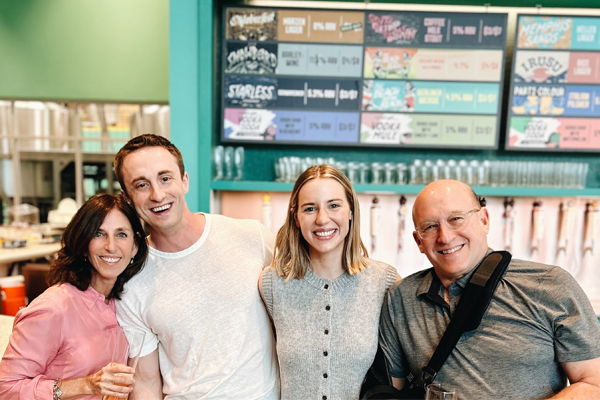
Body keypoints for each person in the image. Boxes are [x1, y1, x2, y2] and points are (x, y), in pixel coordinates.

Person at [379, 179, 600, 399]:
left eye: (456, 219)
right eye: (430, 227)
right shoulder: (400, 298)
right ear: (419, 241)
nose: (445, 237)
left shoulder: (550, 285)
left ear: (484, 220)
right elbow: (390, 390)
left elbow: (593, 383)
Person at [112, 134, 278, 400]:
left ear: (184, 181)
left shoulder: (252, 237)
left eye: (165, 178)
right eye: (142, 185)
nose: (157, 194)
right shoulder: (131, 280)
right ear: (128, 197)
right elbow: (145, 382)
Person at [260, 164, 399, 400]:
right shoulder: (272, 284)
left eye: (334, 205)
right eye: (309, 208)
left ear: (351, 211)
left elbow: (399, 374)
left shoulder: (383, 281)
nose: (322, 219)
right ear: (296, 218)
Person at [0, 194, 148, 400]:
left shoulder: (126, 303)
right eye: (99, 233)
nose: (111, 246)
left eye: (121, 234)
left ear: (135, 246)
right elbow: (6, 389)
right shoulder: (53, 308)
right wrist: (86, 385)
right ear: (83, 243)